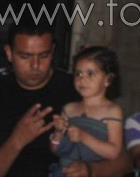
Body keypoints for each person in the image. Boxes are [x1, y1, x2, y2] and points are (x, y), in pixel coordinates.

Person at [0, 19, 131, 177]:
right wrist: (17, 141)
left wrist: (91, 171)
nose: (35, 65)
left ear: (52, 52)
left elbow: (124, 162)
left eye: (43, 56)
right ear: (9, 53)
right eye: (25, 56)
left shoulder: (79, 89)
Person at [49, 46, 123, 176]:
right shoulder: (69, 109)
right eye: (78, 74)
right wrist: (58, 132)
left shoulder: (112, 111)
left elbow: (114, 152)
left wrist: (83, 137)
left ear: (108, 79)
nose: (82, 79)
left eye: (90, 74)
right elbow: (55, 150)